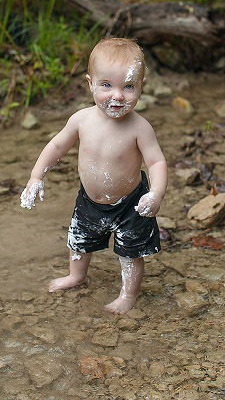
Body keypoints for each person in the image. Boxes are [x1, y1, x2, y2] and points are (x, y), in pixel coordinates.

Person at [20, 37, 167, 314]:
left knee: (130, 253)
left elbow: (156, 161)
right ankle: (76, 276)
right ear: (90, 84)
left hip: (130, 204)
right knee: (78, 241)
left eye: (129, 86)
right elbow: (56, 146)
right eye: (106, 85)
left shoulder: (140, 127)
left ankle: (128, 295)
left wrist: (155, 193)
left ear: (141, 87)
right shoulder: (81, 120)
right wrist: (36, 176)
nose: (117, 96)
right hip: (90, 200)